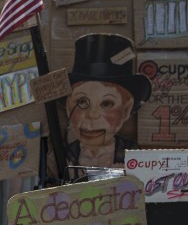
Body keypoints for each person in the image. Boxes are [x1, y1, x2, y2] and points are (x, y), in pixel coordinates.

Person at [64, 34, 151, 173]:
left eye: (107, 104)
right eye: (82, 102)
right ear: (68, 107)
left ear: (126, 110)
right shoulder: (60, 158)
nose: (92, 115)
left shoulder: (135, 157)